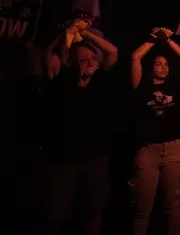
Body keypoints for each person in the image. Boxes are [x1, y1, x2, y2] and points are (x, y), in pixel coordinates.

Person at [42, 17, 119, 235]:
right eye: (84, 60)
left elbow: (112, 52)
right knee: (57, 214)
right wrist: (68, 33)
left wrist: (85, 33)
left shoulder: (99, 81)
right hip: (63, 161)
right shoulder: (61, 81)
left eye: (92, 59)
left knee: (93, 210)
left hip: (94, 158)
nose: (91, 63)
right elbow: (53, 57)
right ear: (73, 64)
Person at [130, 27, 180, 235]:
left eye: (166, 64)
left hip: (173, 149)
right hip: (148, 151)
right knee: (142, 209)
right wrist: (154, 39)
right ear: (151, 67)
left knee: (172, 205)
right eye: (158, 64)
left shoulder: (176, 86)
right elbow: (135, 57)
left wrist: (169, 40)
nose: (163, 68)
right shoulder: (142, 85)